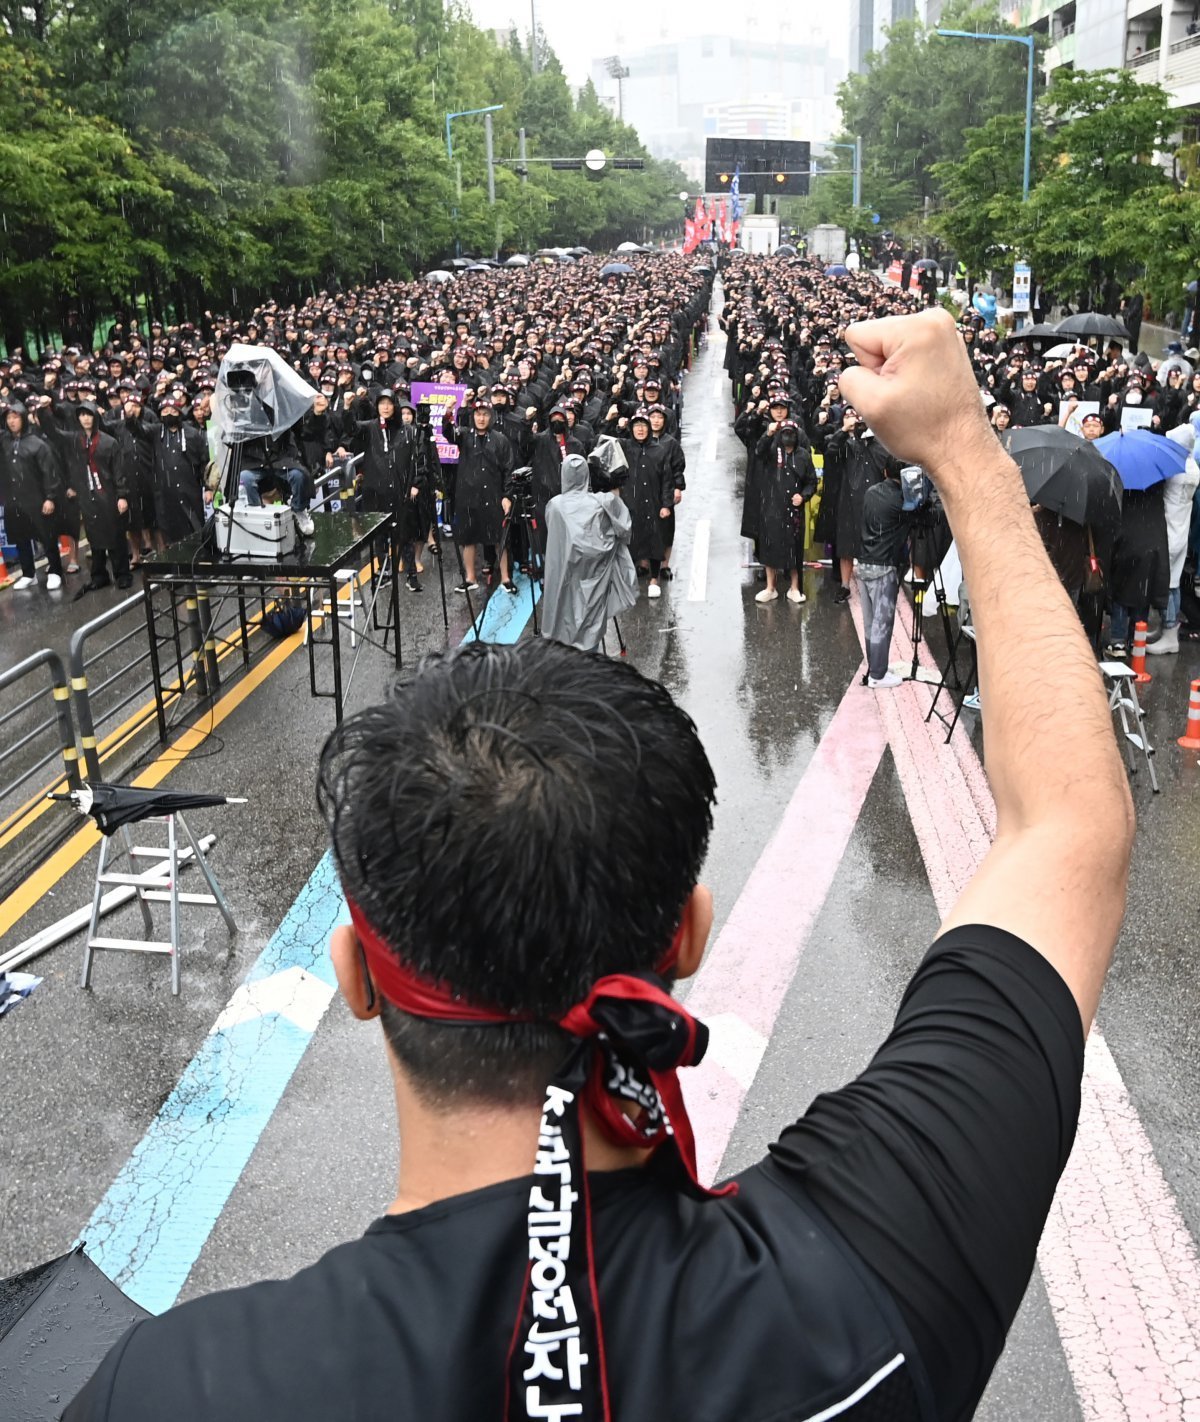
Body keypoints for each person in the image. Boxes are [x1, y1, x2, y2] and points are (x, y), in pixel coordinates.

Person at [66, 308, 1136, 1422]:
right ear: (687, 934)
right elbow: (1068, 827)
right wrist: (965, 445)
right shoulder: (860, 1294)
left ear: (357, 975)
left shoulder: (175, 1388)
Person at [540, 452, 637, 651]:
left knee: (564, 608)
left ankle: (566, 652)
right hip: (595, 570)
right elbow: (624, 527)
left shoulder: (555, 505)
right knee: (591, 611)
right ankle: (590, 653)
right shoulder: (602, 502)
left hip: (566, 569)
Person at [34, 398, 133, 591]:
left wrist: (122, 495)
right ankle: (99, 575)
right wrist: (43, 411)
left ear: (95, 416)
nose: (86, 419)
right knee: (94, 536)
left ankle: (122, 573)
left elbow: (119, 471)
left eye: (89, 414)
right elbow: (52, 433)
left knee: (115, 534)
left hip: (108, 494)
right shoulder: (74, 439)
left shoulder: (108, 442)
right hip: (87, 496)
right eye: (82, 415)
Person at [857, 456, 912, 688]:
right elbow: (928, 517)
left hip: (864, 562)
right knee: (882, 623)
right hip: (883, 566)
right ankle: (878, 675)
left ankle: (875, 667)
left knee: (870, 622)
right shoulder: (902, 501)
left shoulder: (871, 492)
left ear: (886, 472)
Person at [0, 400, 65, 590]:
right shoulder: (4, 441)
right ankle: (28, 573)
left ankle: (55, 570)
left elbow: (49, 472)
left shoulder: (37, 444)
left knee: (46, 536)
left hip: (37, 497)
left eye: (15, 417)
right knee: (20, 536)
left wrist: (50, 497)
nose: (11, 421)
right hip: (14, 497)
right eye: (8, 418)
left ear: (23, 419)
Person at [752, 418, 817, 603]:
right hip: (771, 507)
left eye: (792, 433)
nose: (788, 436)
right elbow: (758, 451)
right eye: (785, 433)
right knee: (769, 547)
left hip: (793, 511)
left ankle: (794, 588)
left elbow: (812, 482)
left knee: (794, 549)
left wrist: (803, 496)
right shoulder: (771, 451)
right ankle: (770, 587)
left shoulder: (804, 455)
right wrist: (768, 434)